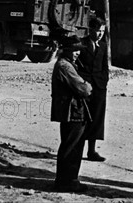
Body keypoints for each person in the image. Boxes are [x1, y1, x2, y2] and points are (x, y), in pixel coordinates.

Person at [51, 35, 92, 193]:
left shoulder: (67, 64)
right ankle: (66, 182)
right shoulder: (65, 66)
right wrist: (87, 85)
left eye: (78, 51)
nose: (77, 53)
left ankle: (68, 180)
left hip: (73, 110)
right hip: (72, 111)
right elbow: (84, 89)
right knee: (72, 147)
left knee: (72, 146)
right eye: (74, 50)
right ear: (66, 50)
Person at [76, 17, 109, 162]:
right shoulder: (81, 44)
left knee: (96, 119)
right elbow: (76, 66)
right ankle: (77, 150)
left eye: (102, 31)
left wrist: (103, 81)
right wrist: (82, 83)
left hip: (99, 87)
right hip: (84, 88)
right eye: (98, 31)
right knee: (82, 119)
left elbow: (105, 67)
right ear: (90, 30)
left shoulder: (103, 46)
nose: (100, 34)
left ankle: (92, 151)